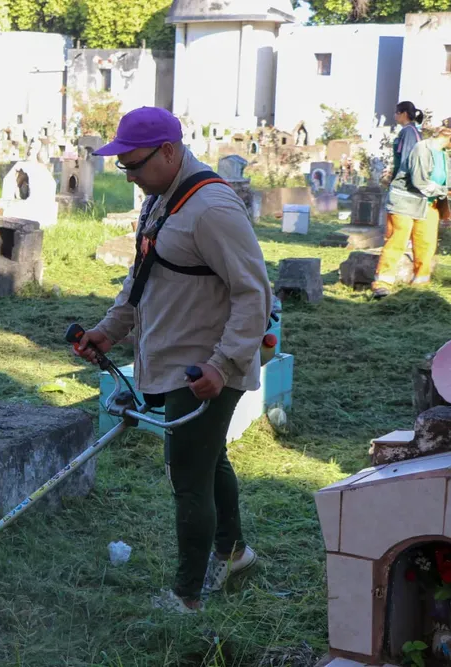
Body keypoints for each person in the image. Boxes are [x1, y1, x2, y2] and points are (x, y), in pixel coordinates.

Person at [75, 107, 272, 614]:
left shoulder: (211, 209)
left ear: (168, 151)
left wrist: (222, 365)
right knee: (208, 460)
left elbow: (255, 295)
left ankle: (187, 596)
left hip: (205, 369)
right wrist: (108, 331)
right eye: (122, 166)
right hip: (176, 359)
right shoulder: (162, 200)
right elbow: (140, 283)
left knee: (187, 476)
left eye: (134, 165)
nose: (130, 176)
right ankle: (234, 552)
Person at [373, 117, 451, 298]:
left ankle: (420, 285)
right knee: (397, 242)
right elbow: (420, 182)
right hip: (405, 202)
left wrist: (445, 206)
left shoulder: (444, 155)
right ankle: (382, 284)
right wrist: (444, 191)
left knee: (427, 244)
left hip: (428, 205)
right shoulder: (422, 149)